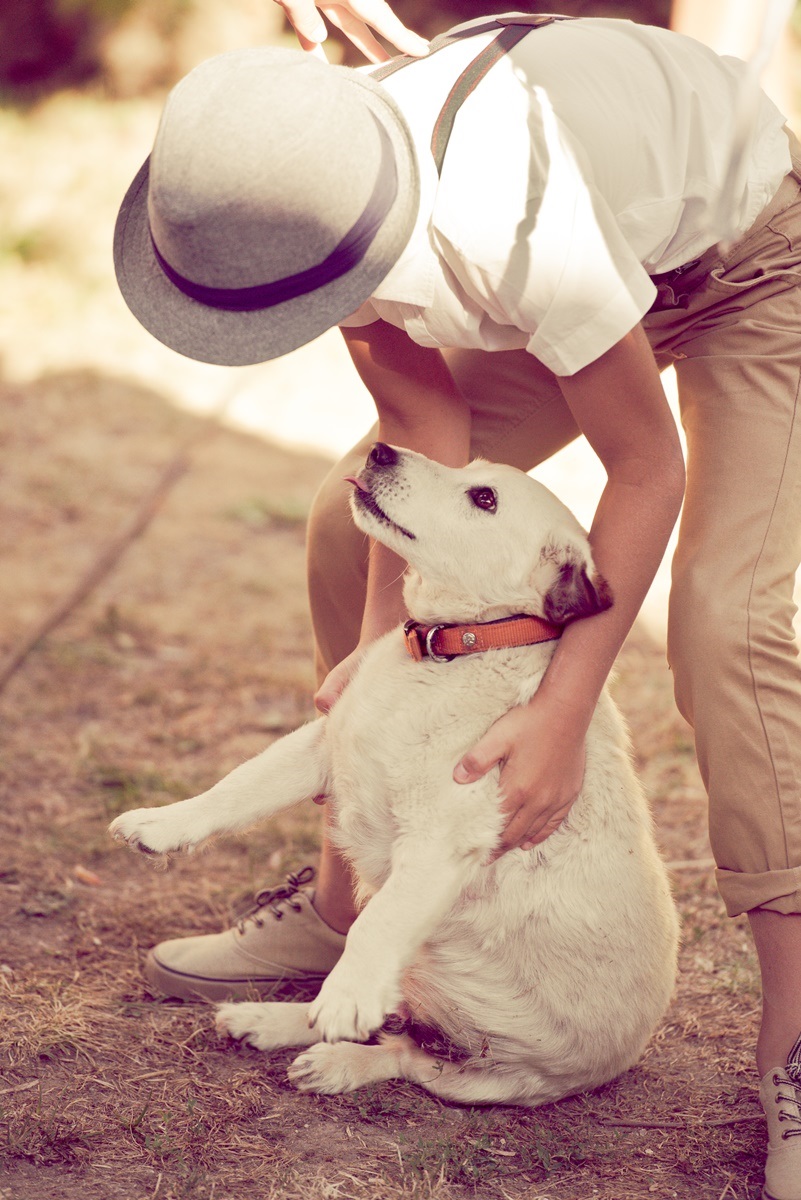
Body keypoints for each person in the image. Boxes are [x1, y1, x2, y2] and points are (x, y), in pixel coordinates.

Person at [113, 5, 801, 1196]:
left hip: (744, 265)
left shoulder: (509, 211)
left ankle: (796, 1039)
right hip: (582, 283)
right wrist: (383, 651)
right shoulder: (307, 209)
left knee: (729, 626)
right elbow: (421, 435)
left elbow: (644, 467)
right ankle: (349, 909)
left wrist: (562, 712)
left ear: (366, 229)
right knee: (344, 518)